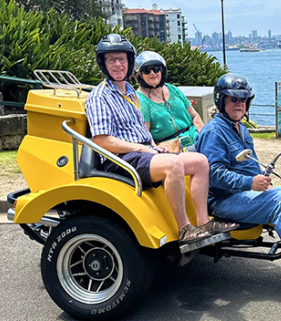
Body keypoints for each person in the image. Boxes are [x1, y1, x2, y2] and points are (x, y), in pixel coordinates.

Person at [84, 34, 237, 243]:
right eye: (111, 60)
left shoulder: (128, 92)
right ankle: (184, 228)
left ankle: (203, 221)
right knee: (173, 165)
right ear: (103, 63)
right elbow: (102, 141)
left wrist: (154, 147)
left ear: (129, 62)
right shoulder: (100, 96)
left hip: (143, 153)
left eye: (122, 59)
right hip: (122, 160)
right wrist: (144, 149)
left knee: (200, 161)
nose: (118, 64)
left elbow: (141, 131)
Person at [194, 73, 281, 283]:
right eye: (233, 99)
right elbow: (213, 175)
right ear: (220, 100)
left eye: (243, 100)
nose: (239, 104)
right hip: (223, 201)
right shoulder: (214, 132)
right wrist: (250, 183)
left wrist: (262, 180)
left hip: (245, 193)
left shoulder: (241, 130)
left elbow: (252, 165)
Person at [134, 51, 204, 151]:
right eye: (146, 70)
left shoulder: (173, 89)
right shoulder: (141, 100)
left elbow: (194, 115)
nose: (152, 73)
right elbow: (145, 134)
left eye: (156, 69)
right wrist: (156, 149)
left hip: (194, 137)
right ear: (140, 75)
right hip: (171, 147)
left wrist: (203, 134)